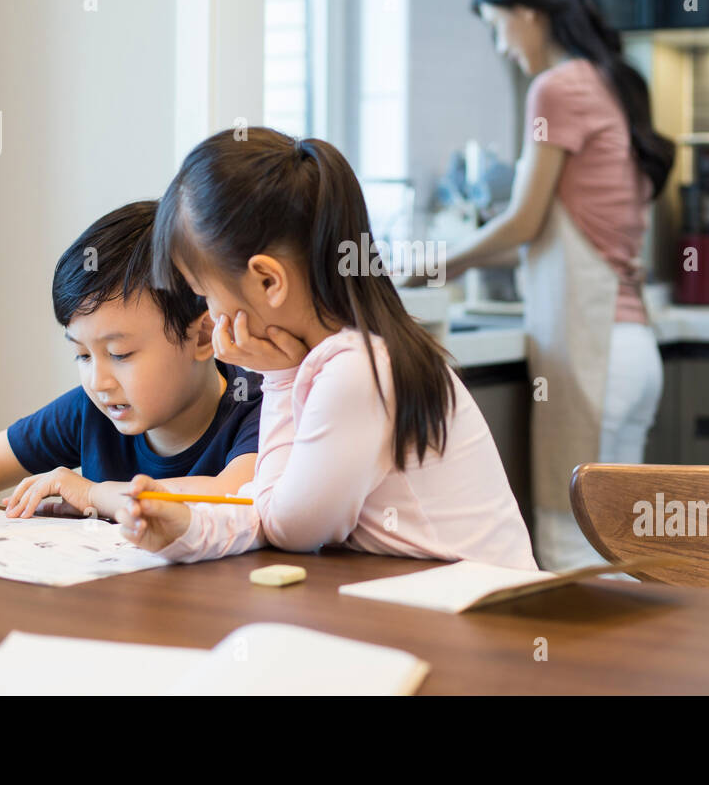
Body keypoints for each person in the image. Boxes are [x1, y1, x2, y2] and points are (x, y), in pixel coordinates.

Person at [116, 127, 537, 570]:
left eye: (205, 292)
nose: (209, 312)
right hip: (431, 599)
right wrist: (188, 528)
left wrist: (277, 380)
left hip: (478, 614)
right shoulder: (354, 355)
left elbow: (290, 528)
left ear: (268, 281)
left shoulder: (357, 372)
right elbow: (271, 510)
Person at [407, 0, 675, 570]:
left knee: (571, 551)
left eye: (499, 26)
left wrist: (437, 265)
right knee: (623, 556)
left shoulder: (554, 88)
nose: (502, 47)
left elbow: (523, 221)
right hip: (633, 352)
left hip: (593, 355)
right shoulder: (611, 80)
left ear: (527, 12)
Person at [0, 200, 262, 530]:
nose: (98, 381)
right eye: (82, 355)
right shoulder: (91, 410)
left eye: (119, 355)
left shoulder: (259, 407)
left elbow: (231, 496)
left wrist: (90, 493)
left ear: (203, 335)